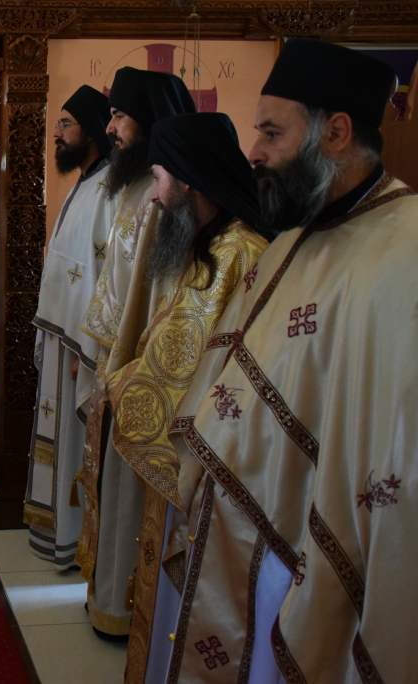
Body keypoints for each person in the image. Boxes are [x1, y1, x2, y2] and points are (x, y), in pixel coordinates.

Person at [166, 40, 413, 682]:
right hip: (246, 539)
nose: (254, 151)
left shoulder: (405, 253)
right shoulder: (293, 238)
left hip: (318, 549)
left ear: (337, 133)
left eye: (272, 133)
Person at [106, 113, 270, 683]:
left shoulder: (237, 254)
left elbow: (177, 369)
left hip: (208, 466)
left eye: (158, 178)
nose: (152, 195)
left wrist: (117, 386)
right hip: (188, 457)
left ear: (189, 181)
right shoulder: (210, 245)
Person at [76, 67, 195, 639]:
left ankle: (124, 607)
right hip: (118, 364)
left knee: (130, 493)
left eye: (120, 116)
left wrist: (118, 366)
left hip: (143, 373)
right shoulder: (134, 187)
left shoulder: (164, 197)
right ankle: (107, 593)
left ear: (147, 121)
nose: (111, 128)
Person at [24, 86, 117, 569]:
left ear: (93, 131)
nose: (56, 133)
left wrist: (90, 348)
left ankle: (74, 540)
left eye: (66, 124)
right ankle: (57, 533)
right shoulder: (85, 183)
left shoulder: (109, 189)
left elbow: (106, 275)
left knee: (74, 442)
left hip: (81, 345)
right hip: (63, 338)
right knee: (57, 439)